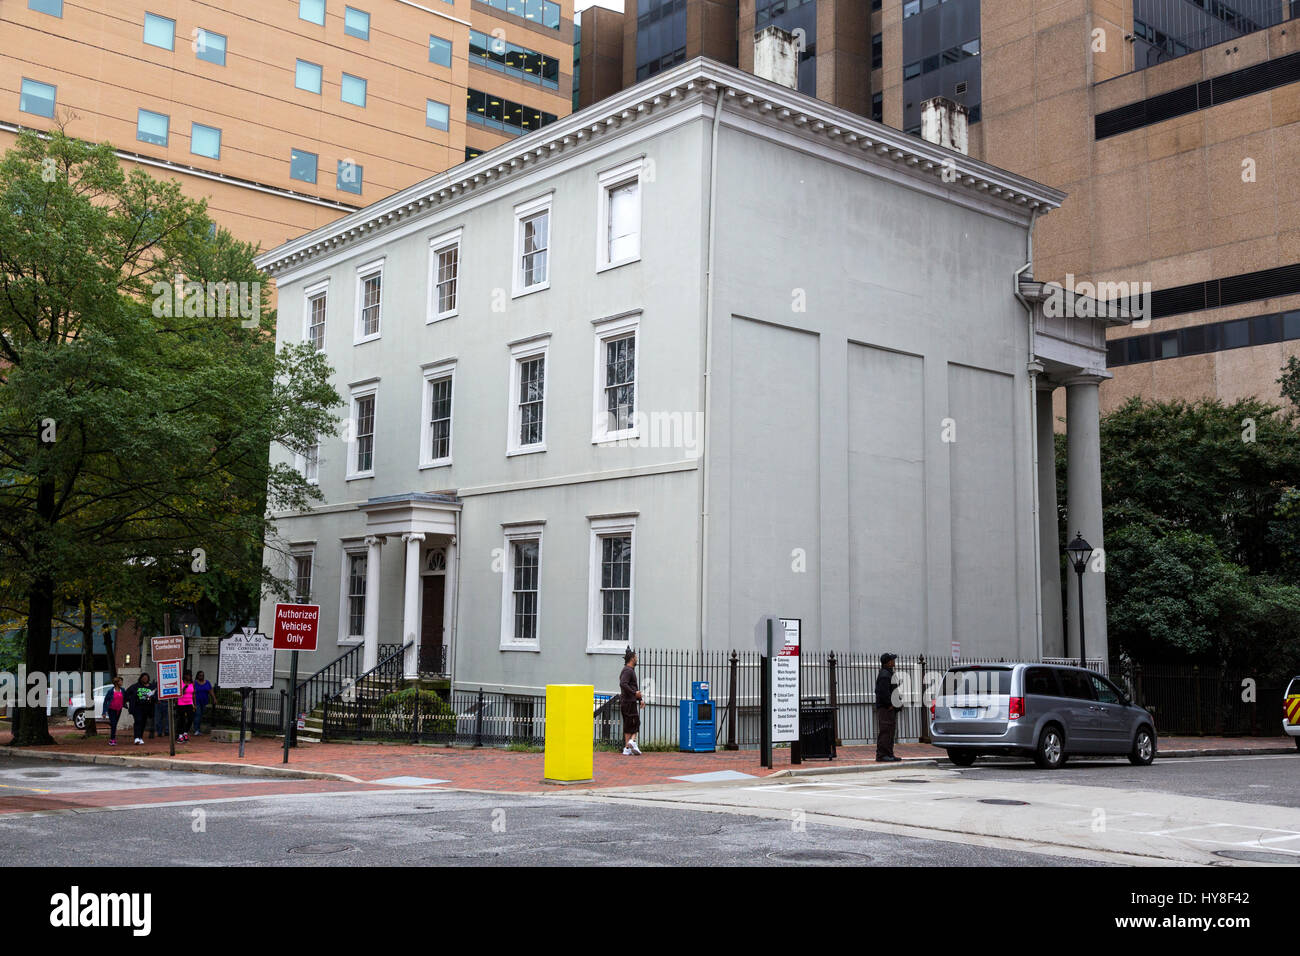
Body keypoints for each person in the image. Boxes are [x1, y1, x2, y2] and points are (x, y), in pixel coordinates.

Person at [875, 652, 903, 762]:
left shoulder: (888, 673)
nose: (894, 661)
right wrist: (890, 705)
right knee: (886, 731)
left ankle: (889, 754)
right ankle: (882, 755)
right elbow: (882, 693)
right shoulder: (884, 675)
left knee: (890, 732)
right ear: (888, 662)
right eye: (892, 660)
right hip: (886, 709)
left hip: (890, 708)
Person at [619, 648, 643, 756]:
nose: (637, 659)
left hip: (628, 701)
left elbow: (632, 687)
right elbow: (623, 684)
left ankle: (627, 749)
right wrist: (634, 694)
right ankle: (632, 742)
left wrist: (640, 699)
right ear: (632, 659)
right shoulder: (628, 671)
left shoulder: (629, 670)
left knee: (628, 726)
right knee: (636, 723)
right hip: (628, 702)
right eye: (636, 657)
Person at [123, 673, 155, 745]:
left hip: (147, 707)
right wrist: (128, 700)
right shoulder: (135, 686)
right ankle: (136, 738)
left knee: (143, 723)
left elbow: (155, 696)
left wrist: (152, 699)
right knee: (138, 721)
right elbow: (127, 693)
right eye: (143, 678)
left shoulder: (151, 687)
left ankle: (140, 737)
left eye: (146, 678)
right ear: (140, 678)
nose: (145, 679)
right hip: (137, 707)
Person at [101, 675, 126, 746]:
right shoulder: (111, 691)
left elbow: (126, 697)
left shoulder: (123, 690)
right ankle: (112, 739)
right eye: (120, 681)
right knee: (114, 724)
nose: (122, 682)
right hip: (111, 709)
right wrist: (104, 712)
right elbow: (105, 701)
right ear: (117, 683)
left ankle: (112, 738)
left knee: (114, 724)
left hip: (119, 709)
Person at [191, 671, 212, 736]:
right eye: (200, 675)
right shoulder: (194, 683)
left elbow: (211, 691)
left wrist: (214, 698)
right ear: (197, 676)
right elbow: (192, 692)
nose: (201, 676)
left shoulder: (207, 682)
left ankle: (198, 729)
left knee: (201, 716)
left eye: (202, 675)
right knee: (198, 715)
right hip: (196, 701)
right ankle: (196, 730)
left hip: (204, 702)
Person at [175, 672, 194, 743]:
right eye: (187, 675)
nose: (189, 677)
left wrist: (194, 704)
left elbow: (193, 694)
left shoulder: (192, 683)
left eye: (190, 675)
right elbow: (179, 693)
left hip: (189, 703)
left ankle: (185, 733)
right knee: (181, 719)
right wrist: (185, 687)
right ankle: (180, 736)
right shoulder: (181, 683)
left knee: (190, 718)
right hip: (181, 703)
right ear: (185, 676)